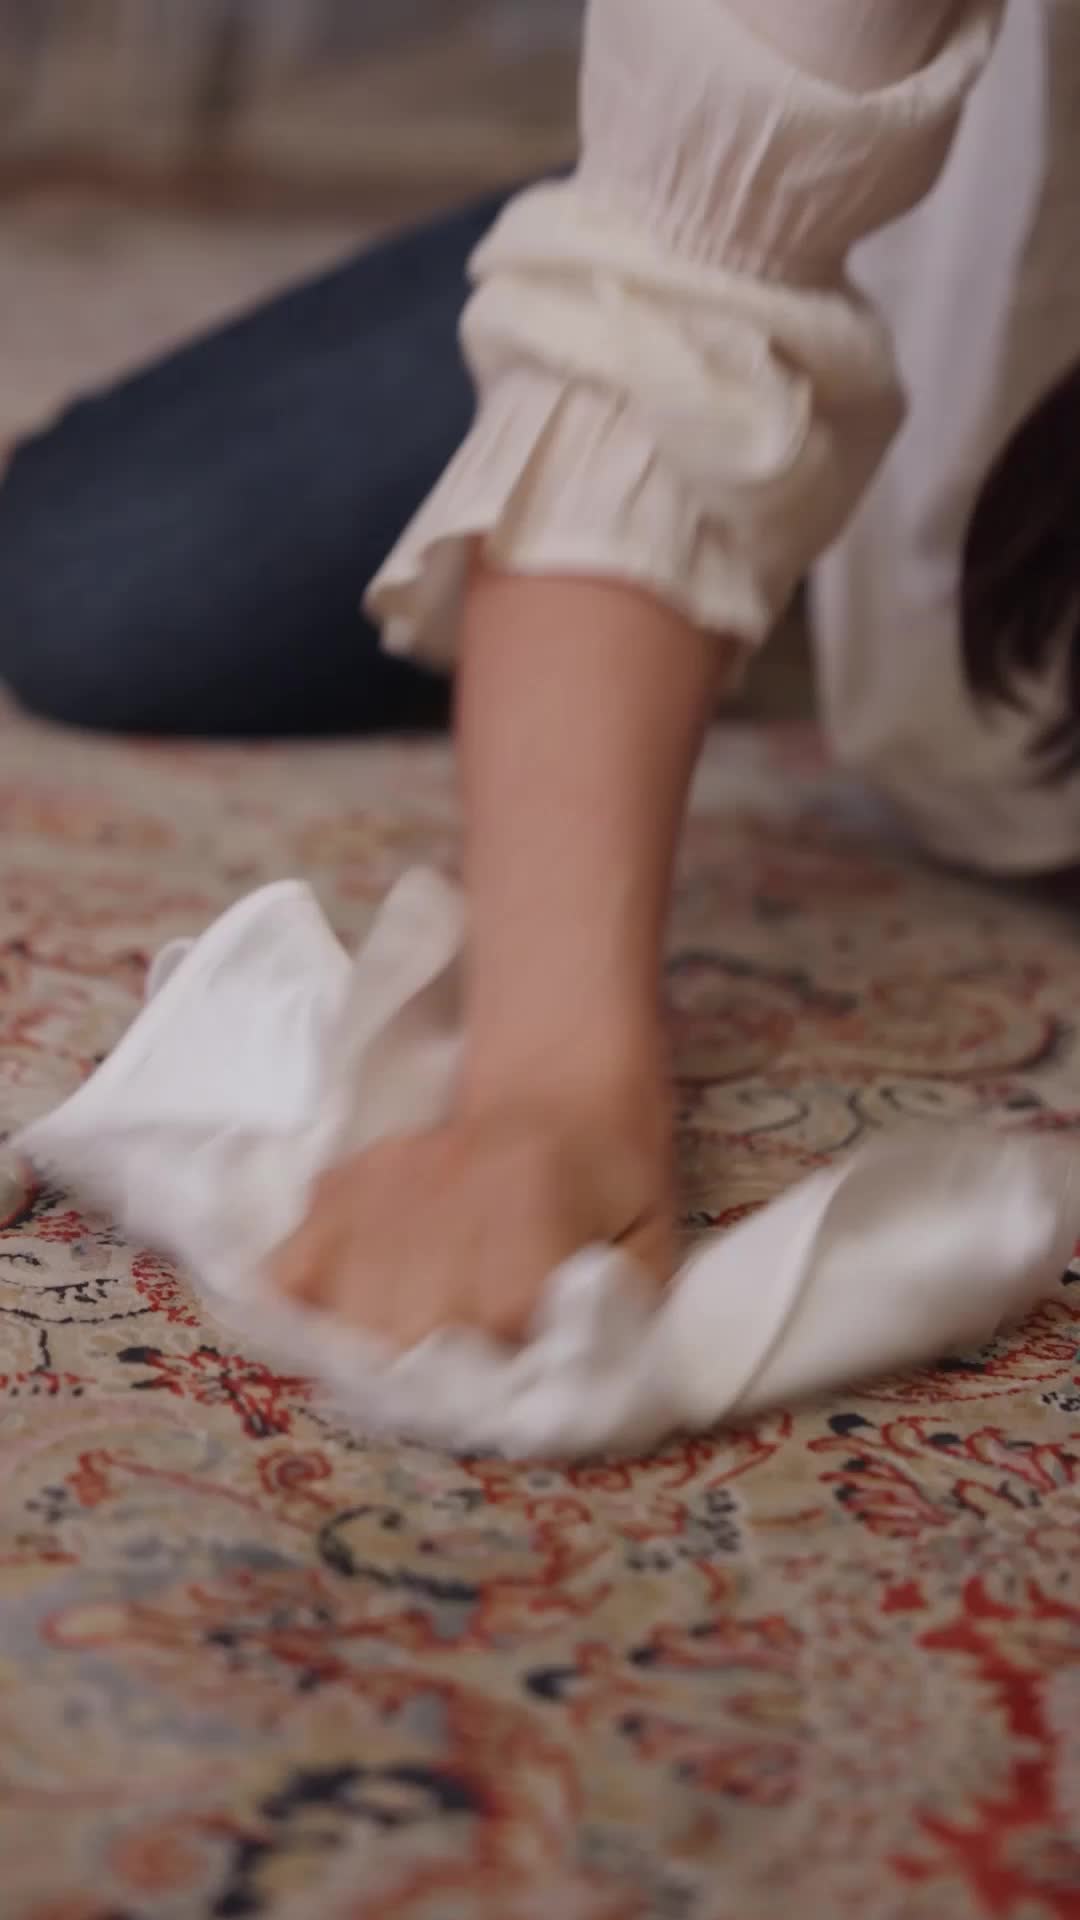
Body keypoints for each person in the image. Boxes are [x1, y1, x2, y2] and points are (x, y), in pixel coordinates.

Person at [2, 1, 1077, 1349]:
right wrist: (547, 1086)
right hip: (863, 174)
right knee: (103, 582)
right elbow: (682, 272)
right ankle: (755, 247)